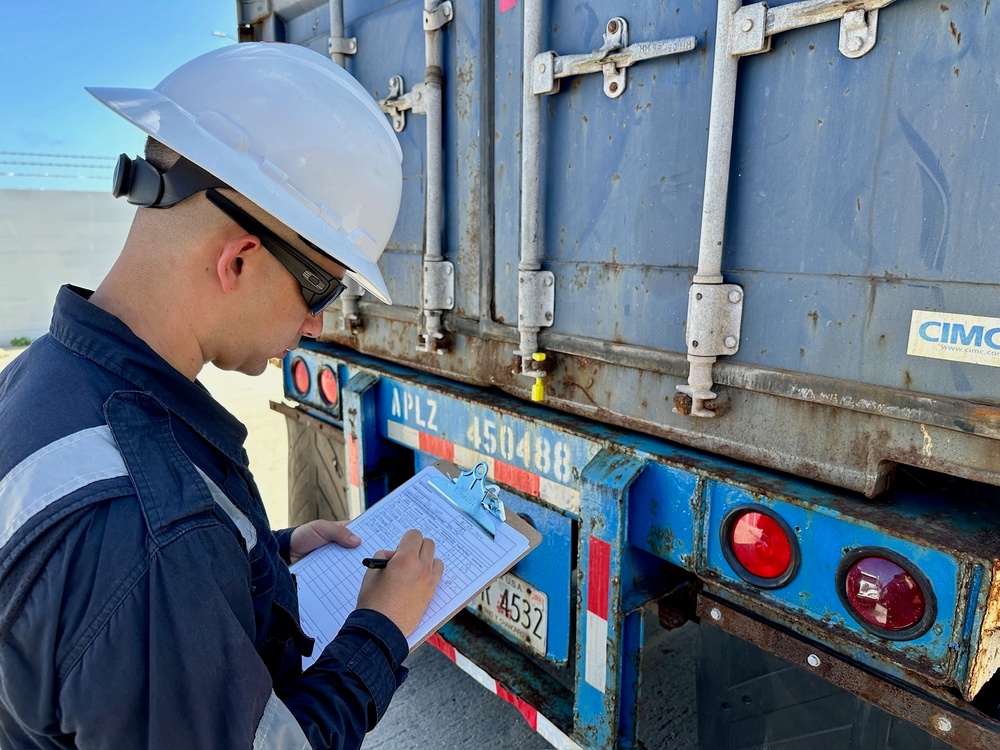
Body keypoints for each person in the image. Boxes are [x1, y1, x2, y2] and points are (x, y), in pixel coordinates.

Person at [0, 43, 443, 749]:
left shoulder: (44, 378)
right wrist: (380, 631)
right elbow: (144, 570)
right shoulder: (151, 540)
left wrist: (264, 553)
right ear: (237, 259)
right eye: (321, 287)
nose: (316, 323)